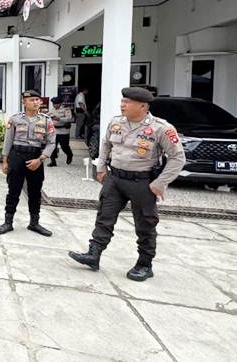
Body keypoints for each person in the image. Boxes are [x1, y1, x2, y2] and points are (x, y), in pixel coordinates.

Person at [68, 87, 186, 282]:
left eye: (127, 102)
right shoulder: (116, 122)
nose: (122, 105)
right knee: (104, 216)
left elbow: (177, 158)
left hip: (142, 183)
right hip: (115, 179)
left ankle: (145, 264)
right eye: (122, 101)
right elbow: (106, 144)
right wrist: (101, 167)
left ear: (142, 106)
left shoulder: (161, 128)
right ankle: (93, 254)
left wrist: (160, 183)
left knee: (145, 224)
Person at [0, 90, 56, 237]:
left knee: (35, 192)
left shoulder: (46, 120)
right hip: (17, 156)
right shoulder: (15, 119)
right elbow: (8, 141)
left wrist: (40, 159)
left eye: (37, 100)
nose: (36, 102)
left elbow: (51, 143)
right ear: (24, 102)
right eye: (32, 100)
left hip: (36, 157)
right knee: (13, 190)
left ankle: (34, 223)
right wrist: (5, 161)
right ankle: (8, 222)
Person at [47, 96, 74, 166]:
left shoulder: (66, 109)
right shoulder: (52, 109)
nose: (55, 105)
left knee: (64, 147)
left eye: (56, 104)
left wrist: (59, 119)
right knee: (52, 146)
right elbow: (47, 116)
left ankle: (69, 155)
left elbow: (69, 119)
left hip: (63, 131)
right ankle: (53, 161)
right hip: (54, 131)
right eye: (53, 104)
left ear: (60, 103)